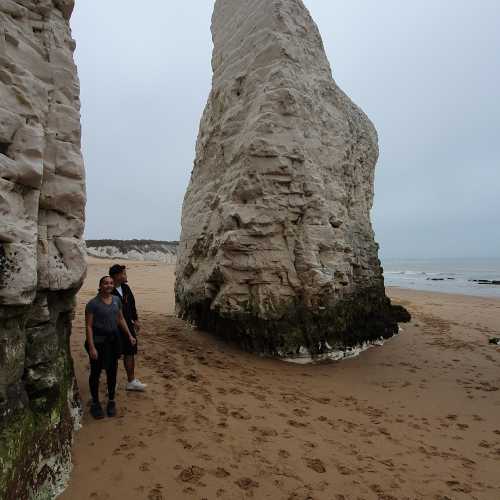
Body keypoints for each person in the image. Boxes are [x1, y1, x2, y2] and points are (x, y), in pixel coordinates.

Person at [85, 275, 136, 419]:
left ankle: (111, 401)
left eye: (111, 283)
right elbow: (88, 326)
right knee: (95, 372)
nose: (109, 285)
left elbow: (120, 319)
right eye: (105, 283)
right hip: (98, 342)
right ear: (100, 286)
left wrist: (129, 336)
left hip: (113, 342)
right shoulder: (92, 304)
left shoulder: (116, 300)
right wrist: (91, 347)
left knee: (112, 371)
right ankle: (95, 403)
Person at [109, 264, 146, 391]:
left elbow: (132, 305)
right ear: (117, 275)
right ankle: (112, 382)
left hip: (128, 327)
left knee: (130, 351)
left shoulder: (126, 288)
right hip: (113, 328)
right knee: (113, 355)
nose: (126, 275)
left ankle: (131, 381)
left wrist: (135, 319)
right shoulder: (108, 289)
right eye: (124, 273)